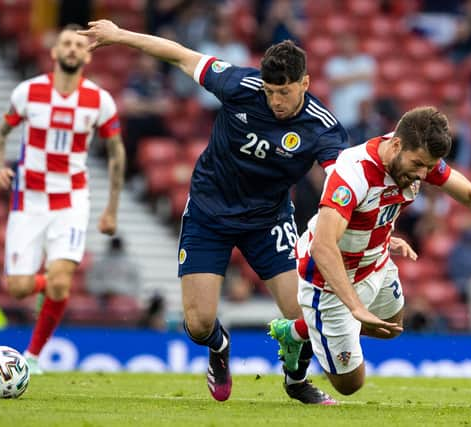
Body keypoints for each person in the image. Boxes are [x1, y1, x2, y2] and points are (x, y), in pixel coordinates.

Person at [79, 20, 347, 404]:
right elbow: (180, 55)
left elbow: (345, 186)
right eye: (271, 91)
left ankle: (295, 380)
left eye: (284, 92)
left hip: (268, 220)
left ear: (305, 83)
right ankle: (219, 347)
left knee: (301, 312)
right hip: (209, 211)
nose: (275, 101)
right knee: (198, 322)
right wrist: (119, 35)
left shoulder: (323, 128)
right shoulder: (240, 85)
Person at [269, 106, 471, 397]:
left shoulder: (417, 158)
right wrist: (355, 307)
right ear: (396, 145)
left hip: (375, 260)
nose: (423, 174)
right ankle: (297, 340)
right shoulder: (354, 172)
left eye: (428, 167)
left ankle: (301, 330)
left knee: (391, 329)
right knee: (350, 385)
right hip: (329, 277)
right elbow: (323, 245)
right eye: (418, 164)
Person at [0, 24, 125, 374]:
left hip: (71, 198)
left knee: (62, 280)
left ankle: (32, 357)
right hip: (29, 198)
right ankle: (47, 286)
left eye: (79, 46)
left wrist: (111, 208)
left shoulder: (99, 100)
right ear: (54, 52)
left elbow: (116, 153)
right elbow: (0, 133)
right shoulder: (28, 92)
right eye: (65, 43)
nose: (72, 50)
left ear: (88, 55)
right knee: (18, 288)